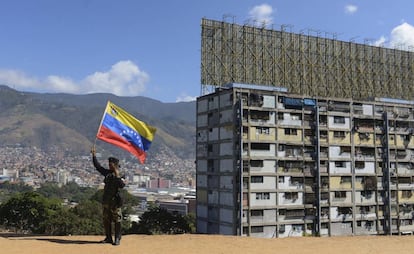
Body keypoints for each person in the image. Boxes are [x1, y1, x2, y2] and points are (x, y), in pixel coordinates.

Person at [91, 145, 125, 246]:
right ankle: (108, 237)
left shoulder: (120, 174)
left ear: (115, 164)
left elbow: (122, 185)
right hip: (106, 200)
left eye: (111, 164)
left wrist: (117, 174)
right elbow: (98, 167)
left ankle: (117, 238)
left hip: (115, 201)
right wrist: (94, 155)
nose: (109, 166)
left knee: (117, 220)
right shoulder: (108, 173)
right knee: (106, 219)